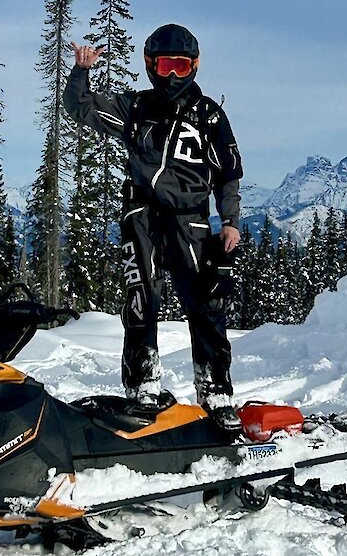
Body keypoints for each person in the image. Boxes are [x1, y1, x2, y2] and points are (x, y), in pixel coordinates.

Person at [63, 23, 243, 431]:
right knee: (141, 298)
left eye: (181, 66)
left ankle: (215, 391)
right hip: (141, 216)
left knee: (207, 303)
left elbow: (228, 173)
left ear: (194, 66)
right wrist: (81, 71)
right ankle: (143, 386)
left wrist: (230, 220)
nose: (173, 75)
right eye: (165, 65)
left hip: (192, 219)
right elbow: (82, 108)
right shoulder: (136, 107)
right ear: (150, 65)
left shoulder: (210, 116)